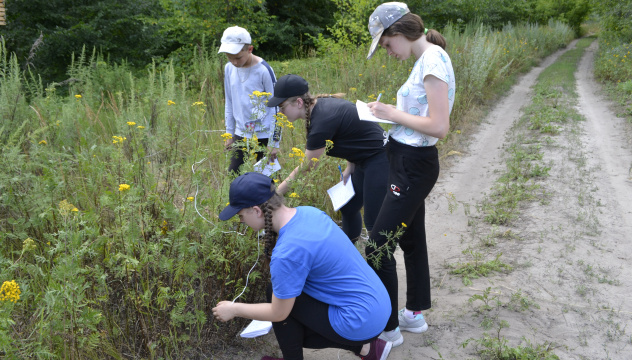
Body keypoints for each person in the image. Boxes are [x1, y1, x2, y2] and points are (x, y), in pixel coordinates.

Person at [212, 172, 393, 360]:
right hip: (379, 306)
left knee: (282, 308)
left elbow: (278, 313)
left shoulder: (287, 253)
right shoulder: (309, 212)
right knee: (285, 299)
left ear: (257, 211)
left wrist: (234, 309)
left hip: (360, 321)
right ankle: (370, 349)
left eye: (241, 216)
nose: (242, 222)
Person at [364, 2, 456, 347]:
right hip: (405, 157)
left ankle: (387, 330)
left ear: (399, 33)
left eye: (387, 44)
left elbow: (439, 126)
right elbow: (420, 116)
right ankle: (413, 315)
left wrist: (392, 112)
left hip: (414, 164)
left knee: (377, 245)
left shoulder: (433, 61)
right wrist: (386, 114)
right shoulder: (425, 60)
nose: (388, 52)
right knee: (411, 238)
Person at [266, 74, 389, 242]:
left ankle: (379, 261)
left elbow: (307, 166)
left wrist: (276, 193)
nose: (280, 112)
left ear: (299, 102)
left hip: (381, 158)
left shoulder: (322, 120)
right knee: (348, 207)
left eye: (281, 106)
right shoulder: (318, 108)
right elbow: (353, 135)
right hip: (363, 159)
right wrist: (349, 167)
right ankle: (349, 250)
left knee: (374, 223)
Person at [218, 26, 282, 174]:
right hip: (241, 132)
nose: (234, 62)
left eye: (238, 57)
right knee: (234, 174)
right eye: (229, 57)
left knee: (267, 178)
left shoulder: (264, 70)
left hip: (264, 134)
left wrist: (274, 142)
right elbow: (229, 102)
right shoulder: (229, 69)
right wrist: (229, 134)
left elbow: (276, 107)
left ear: (250, 49)